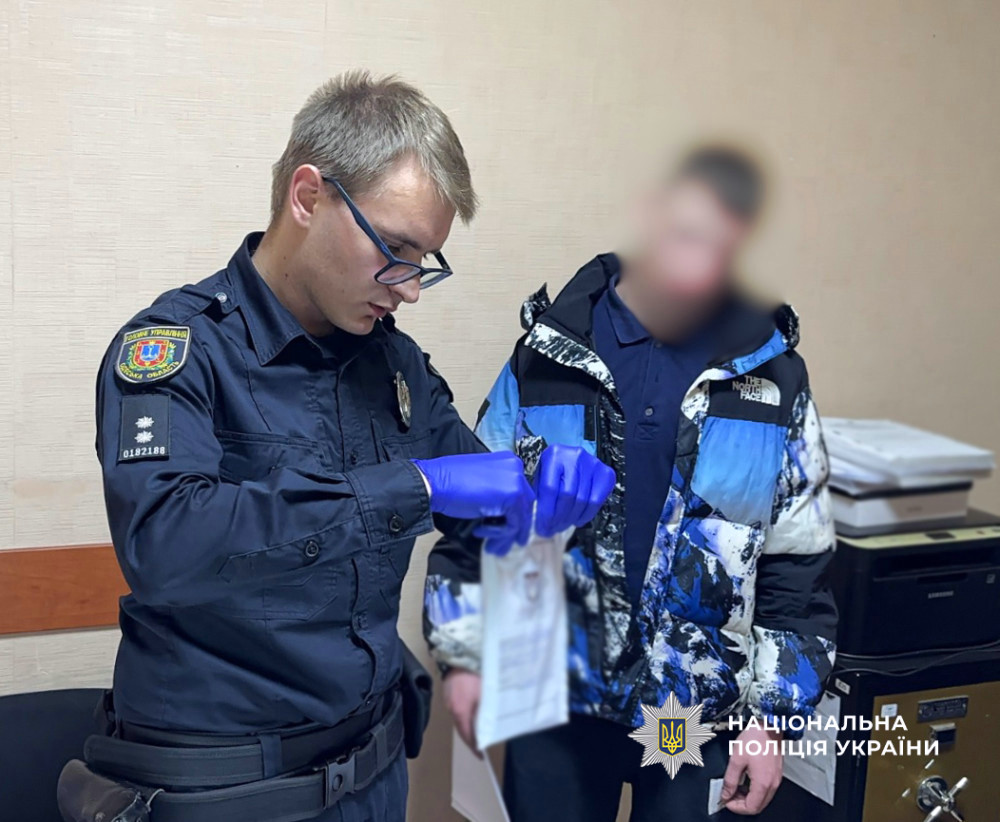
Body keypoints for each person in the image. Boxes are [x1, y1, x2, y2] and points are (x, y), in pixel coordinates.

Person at [88, 71, 613, 822]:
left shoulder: (393, 364)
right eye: (395, 248)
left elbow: (480, 501)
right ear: (308, 197)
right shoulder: (179, 350)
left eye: (425, 260)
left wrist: (538, 489)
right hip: (228, 786)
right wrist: (416, 488)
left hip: (372, 770)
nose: (410, 289)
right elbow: (166, 544)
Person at [424, 146, 837, 820]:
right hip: (555, 703)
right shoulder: (550, 351)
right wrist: (464, 656)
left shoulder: (771, 377)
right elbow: (476, 520)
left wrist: (772, 722)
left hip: (690, 715)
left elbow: (799, 568)